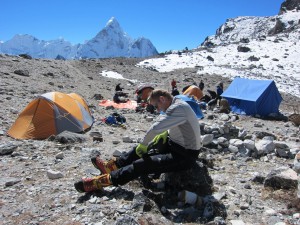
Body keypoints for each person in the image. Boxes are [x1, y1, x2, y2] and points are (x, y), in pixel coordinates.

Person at [74, 89, 202, 193]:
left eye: (156, 106)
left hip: (185, 155)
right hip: (174, 144)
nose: (157, 110)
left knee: (142, 164)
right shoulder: (175, 103)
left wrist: (145, 143)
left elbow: (156, 128)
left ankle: (102, 181)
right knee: (140, 150)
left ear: (162, 99)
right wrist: (164, 135)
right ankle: (112, 166)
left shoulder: (178, 108)